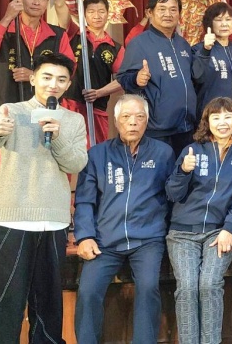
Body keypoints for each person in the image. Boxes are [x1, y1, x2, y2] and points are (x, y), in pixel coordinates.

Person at [0, 53, 87, 344]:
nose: (53, 84)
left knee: (48, 303)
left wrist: (57, 137)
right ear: (34, 78)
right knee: (6, 302)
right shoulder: (11, 110)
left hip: (53, 220)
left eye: (61, 79)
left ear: (68, 85)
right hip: (12, 217)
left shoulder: (73, 120)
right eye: (47, 77)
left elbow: (76, 163)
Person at [74, 94, 174, 344]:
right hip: (105, 240)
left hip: (148, 239)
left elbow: (173, 195)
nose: (133, 122)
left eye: (139, 117)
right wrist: (85, 236)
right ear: (116, 121)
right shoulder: (97, 154)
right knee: (87, 291)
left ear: (147, 121)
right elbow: (85, 200)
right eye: (126, 117)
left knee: (148, 288)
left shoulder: (163, 153)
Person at [166, 97, 232, 344]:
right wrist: (183, 171)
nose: (222, 122)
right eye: (216, 117)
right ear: (207, 121)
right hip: (182, 233)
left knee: (210, 284)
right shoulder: (192, 150)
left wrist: (229, 228)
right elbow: (172, 193)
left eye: (228, 116)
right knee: (187, 287)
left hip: (220, 232)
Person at [117, 0, 197, 154]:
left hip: (186, 128)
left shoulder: (183, 44)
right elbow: (123, 78)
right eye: (162, 9)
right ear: (149, 12)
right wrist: (136, 79)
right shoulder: (139, 43)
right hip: (158, 130)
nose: (168, 14)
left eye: (173, 9)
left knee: (184, 169)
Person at [0, 0, 75, 110]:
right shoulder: (4, 29)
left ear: (47, 3)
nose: (36, 2)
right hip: (8, 104)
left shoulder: (57, 34)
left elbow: (69, 68)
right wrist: (8, 17)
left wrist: (34, 76)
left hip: (45, 106)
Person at [53, 0, 124, 145]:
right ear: (84, 14)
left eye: (101, 11)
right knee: (65, 149)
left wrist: (99, 92)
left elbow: (123, 79)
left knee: (95, 152)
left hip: (97, 109)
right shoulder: (74, 34)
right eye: (91, 12)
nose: (97, 16)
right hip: (70, 104)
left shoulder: (115, 47)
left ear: (108, 14)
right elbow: (59, 4)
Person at [192, 1, 232, 118]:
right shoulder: (198, 49)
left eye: (228, 19)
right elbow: (198, 77)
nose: (224, 24)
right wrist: (206, 50)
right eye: (218, 20)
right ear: (210, 23)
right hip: (212, 117)